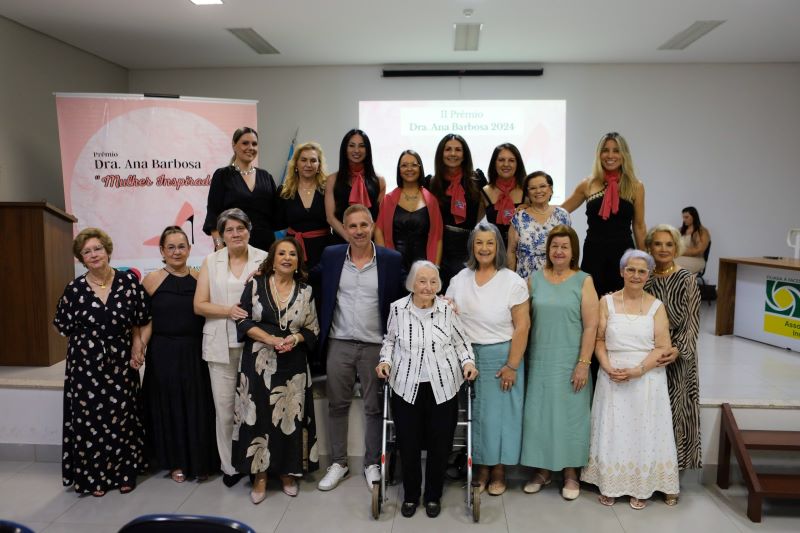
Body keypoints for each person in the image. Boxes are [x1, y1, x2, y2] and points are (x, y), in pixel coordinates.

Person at [376, 260, 479, 518]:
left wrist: (468, 363)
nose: (428, 286)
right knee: (408, 442)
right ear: (412, 283)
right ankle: (411, 495)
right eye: (422, 281)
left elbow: (461, 342)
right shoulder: (398, 309)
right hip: (406, 385)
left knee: (440, 443)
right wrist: (384, 362)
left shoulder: (447, 310)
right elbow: (389, 342)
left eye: (433, 281)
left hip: (443, 386)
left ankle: (433, 495)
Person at [313, 204, 405, 492]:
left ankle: (371, 464)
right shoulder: (332, 256)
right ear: (344, 228)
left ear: (372, 225)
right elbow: (308, 279)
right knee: (337, 405)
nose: (358, 231)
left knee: (374, 408)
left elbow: (408, 293)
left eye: (363, 225)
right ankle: (338, 463)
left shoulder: (390, 260)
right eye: (352, 226)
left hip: (376, 345)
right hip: (339, 342)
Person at [53, 228, 148, 497]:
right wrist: (88, 349)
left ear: (107, 251)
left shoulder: (128, 282)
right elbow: (63, 327)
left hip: (121, 362)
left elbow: (140, 320)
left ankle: (123, 473)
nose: (93, 255)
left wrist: (137, 344)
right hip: (86, 366)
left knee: (122, 418)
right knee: (90, 420)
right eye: (87, 252)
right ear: (81, 259)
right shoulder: (74, 289)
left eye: (97, 249)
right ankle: (94, 477)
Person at [581, 250, 679, 509]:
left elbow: (662, 346)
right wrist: (606, 365)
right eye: (631, 270)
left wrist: (639, 370)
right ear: (621, 271)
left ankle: (642, 485)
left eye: (642, 271)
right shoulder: (607, 302)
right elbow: (599, 339)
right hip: (612, 373)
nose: (636, 275)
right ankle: (610, 482)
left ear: (649, 275)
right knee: (613, 429)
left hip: (647, 376)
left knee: (643, 430)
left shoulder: (657, 306)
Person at [445, 222, 530, 496]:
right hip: (467, 356)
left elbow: (522, 326)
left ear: (498, 247)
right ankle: (480, 466)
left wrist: (512, 365)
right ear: (472, 246)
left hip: (501, 355)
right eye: (479, 243)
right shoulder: (460, 279)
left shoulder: (512, 281)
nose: (484, 248)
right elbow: (447, 314)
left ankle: (499, 469)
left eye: (490, 243)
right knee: (476, 416)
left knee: (501, 417)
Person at [232, 238, 319, 504]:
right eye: (281, 253)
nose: (287, 258)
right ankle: (259, 476)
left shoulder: (306, 291)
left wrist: (294, 339)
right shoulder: (255, 284)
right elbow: (243, 319)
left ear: (298, 261)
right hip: (257, 362)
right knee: (257, 418)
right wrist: (269, 340)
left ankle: (286, 473)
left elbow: (312, 329)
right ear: (272, 257)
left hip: (292, 366)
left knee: (289, 418)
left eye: (292, 254)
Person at [520, 225, 598, 500]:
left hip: (570, 360)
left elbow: (591, 326)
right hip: (540, 358)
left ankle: (570, 473)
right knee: (539, 415)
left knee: (571, 418)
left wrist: (583, 363)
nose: (559, 251)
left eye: (565, 246)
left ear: (573, 250)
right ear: (548, 250)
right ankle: (542, 470)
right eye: (555, 246)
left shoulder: (584, 280)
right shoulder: (534, 279)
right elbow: (523, 321)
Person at [194, 208, 268, 487]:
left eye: (240, 228)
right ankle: (229, 466)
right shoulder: (211, 261)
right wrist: (230, 311)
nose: (235, 234)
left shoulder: (264, 257)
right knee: (225, 409)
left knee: (255, 408)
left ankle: (257, 464)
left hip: (257, 344)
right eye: (229, 229)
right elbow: (199, 305)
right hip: (221, 344)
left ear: (249, 229)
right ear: (221, 235)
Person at [140, 226, 218, 484]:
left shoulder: (199, 277)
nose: (176, 251)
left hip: (195, 351)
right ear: (162, 251)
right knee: (170, 408)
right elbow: (144, 321)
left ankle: (200, 460)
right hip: (163, 353)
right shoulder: (151, 281)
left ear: (189, 249)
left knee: (198, 407)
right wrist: (138, 346)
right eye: (170, 247)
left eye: (181, 246)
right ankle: (175, 461)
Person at [644, 224, 702, 500]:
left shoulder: (687, 279)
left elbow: (691, 323)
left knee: (674, 417)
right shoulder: (644, 278)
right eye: (658, 244)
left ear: (676, 248)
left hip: (678, 359)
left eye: (669, 244)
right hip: (648, 357)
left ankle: (670, 482)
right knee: (650, 417)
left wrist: (676, 350)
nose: (663, 249)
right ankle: (646, 474)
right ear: (649, 247)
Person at [562, 132, 646, 297]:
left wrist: (644, 260)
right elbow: (560, 212)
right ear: (599, 154)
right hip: (594, 253)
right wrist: (532, 208)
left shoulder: (636, 186)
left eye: (616, 150)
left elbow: (639, 225)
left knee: (622, 304)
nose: (610, 155)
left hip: (624, 254)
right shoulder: (588, 184)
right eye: (605, 150)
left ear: (624, 155)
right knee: (592, 302)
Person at [203, 127, 279, 252]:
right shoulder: (222, 175)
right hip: (233, 246)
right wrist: (219, 246)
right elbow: (213, 214)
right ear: (234, 145)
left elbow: (277, 214)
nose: (251, 147)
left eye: (254, 144)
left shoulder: (266, 176)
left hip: (265, 248)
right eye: (245, 143)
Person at [428, 134, 485, 290]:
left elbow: (488, 207)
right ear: (441, 153)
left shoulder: (477, 180)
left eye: (458, 150)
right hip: (440, 245)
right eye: (448, 149)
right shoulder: (431, 182)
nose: (453, 154)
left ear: (464, 154)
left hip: (467, 246)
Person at [375, 150, 443, 270]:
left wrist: (434, 269)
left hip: (424, 267)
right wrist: (384, 262)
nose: (409, 169)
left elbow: (438, 238)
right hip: (394, 265)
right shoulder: (388, 200)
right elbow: (379, 232)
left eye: (414, 165)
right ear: (399, 170)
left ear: (420, 168)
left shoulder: (431, 201)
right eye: (404, 165)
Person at [276, 141, 331, 271]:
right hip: (292, 250)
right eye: (303, 160)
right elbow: (278, 223)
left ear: (319, 165)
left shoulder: (328, 189)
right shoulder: (284, 191)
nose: (308, 164)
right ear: (296, 164)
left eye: (313, 160)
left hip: (323, 250)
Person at [507, 171, 572, 278]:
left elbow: (570, 248)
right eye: (532, 188)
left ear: (550, 189)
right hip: (526, 280)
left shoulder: (562, 215)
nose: (538, 191)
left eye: (542, 186)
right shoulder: (518, 217)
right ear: (527, 193)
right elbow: (511, 252)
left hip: (557, 277)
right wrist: (511, 281)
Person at [325, 129, 386, 243]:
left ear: (367, 150)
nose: (356, 150)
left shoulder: (379, 181)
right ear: (345, 149)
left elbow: (379, 218)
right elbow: (330, 218)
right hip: (340, 241)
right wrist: (350, 238)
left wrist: (364, 238)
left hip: (368, 242)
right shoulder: (332, 180)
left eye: (361, 146)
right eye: (351, 146)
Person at [481, 143, 526, 246]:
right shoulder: (484, 192)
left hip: (522, 253)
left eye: (511, 160)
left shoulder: (527, 190)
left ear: (517, 164)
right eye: (501, 160)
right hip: (494, 252)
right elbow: (474, 221)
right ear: (494, 163)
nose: (506, 164)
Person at [675, 206, 711, 274]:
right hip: (681, 257)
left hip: (696, 260)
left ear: (694, 217)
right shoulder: (680, 230)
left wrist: (679, 251)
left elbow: (699, 250)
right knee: (662, 262)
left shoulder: (702, 231)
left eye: (686, 217)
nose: (684, 219)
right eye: (683, 217)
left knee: (669, 265)